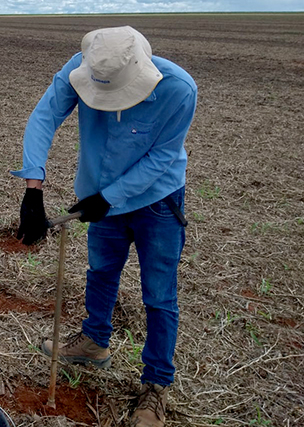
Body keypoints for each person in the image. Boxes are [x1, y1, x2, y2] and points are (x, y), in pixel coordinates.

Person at [12, 26, 197, 427]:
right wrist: (33, 189)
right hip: (100, 194)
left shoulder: (179, 90)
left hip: (158, 201)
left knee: (159, 294)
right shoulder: (83, 67)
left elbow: (162, 157)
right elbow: (44, 117)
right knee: (100, 272)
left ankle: (156, 386)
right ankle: (94, 342)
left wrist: (108, 198)